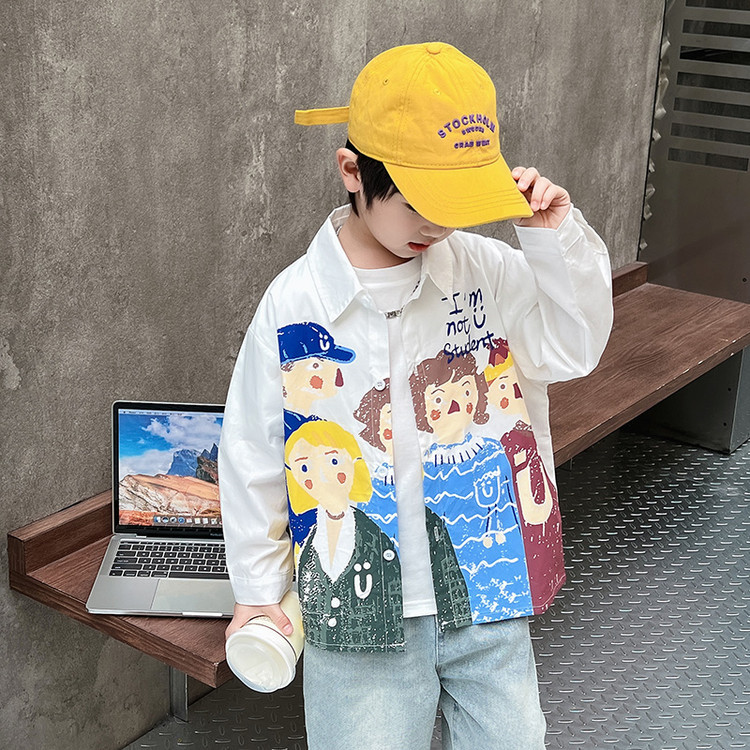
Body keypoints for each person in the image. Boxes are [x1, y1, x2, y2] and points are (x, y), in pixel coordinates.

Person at [219, 41, 614, 750]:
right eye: (418, 204)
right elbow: (252, 451)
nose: (438, 225)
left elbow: (573, 348)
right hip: (354, 605)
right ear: (352, 172)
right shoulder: (294, 304)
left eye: (456, 204)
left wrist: (552, 240)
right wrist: (256, 590)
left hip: (485, 587)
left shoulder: (487, 269)